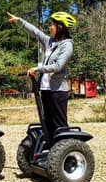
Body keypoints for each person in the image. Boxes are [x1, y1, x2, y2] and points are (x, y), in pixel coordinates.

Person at [8, 11, 76, 141]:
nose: (50, 27)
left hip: (57, 91)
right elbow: (36, 32)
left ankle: (65, 150)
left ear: (60, 27)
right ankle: (52, 152)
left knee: (60, 125)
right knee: (48, 123)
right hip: (45, 90)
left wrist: (38, 69)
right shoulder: (50, 42)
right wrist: (19, 20)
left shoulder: (67, 45)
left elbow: (58, 66)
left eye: (53, 25)